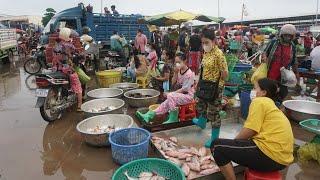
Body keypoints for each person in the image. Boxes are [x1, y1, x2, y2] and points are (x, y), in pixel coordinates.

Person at [211, 78, 294, 180]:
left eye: (255, 88)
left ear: (263, 92)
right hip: (283, 160)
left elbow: (250, 130)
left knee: (217, 146)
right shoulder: (271, 105)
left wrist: (232, 143)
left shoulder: (259, 102)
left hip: (271, 156)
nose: (253, 91)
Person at [193, 28, 228, 148]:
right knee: (201, 104)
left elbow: (225, 74)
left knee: (213, 113)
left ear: (213, 41)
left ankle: (214, 139)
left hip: (215, 87)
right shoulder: (206, 53)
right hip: (204, 84)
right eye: (203, 43)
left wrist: (219, 80)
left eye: (206, 42)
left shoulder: (219, 54)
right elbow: (203, 68)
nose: (204, 45)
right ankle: (202, 122)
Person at [137, 52, 195, 124]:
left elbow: (185, 89)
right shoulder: (179, 70)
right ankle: (149, 116)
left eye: (179, 62)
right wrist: (176, 73)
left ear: (185, 61)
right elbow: (173, 83)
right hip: (180, 94)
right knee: (165, 103)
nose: (177, 64)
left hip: (187, 96)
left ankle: (173, 118)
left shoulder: (189, 74)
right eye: (176, 62)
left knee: (170, 96)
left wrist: (171, 93)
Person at [263, 24, 298, 103]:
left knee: (283, 93)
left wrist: (296, 74)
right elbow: (265, 52)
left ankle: (277, 105)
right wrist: (264, 58)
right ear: (282, 35)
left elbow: (294, 60)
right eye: (286, 35)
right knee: (270, 91)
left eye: (290, 36)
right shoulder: (274, 42)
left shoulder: (292, 46)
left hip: (284, 75)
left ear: (292, 36)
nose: (287, 37)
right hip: (272, 72)